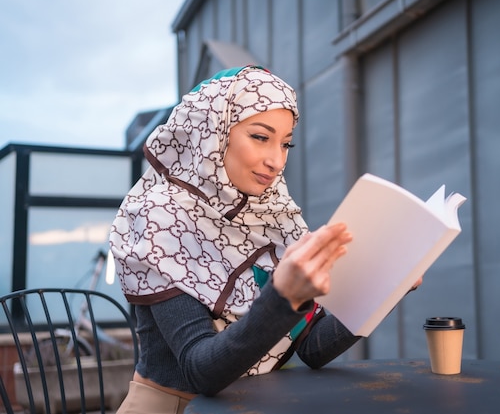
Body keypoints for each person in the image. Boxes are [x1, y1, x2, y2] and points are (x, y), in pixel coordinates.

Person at [109, 65, 418, 414]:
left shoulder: (272, 219)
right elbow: (200, 372)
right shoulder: (158, 215)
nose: (276, 160)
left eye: (286, 143)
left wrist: (388, 285)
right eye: (260, 137)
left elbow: (312, 348)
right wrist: (283, 296)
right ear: (213, 132)